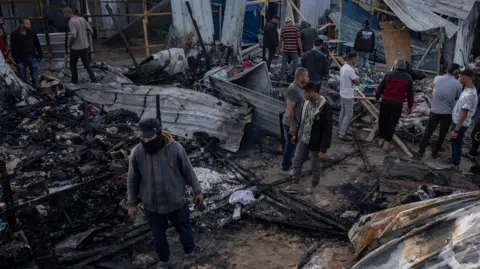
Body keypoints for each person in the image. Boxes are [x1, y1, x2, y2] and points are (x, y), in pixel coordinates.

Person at [127, 118, 203, 269]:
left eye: (149, 137)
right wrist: (132, 203)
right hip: (151, 204)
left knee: (183, 228)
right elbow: (132, 180)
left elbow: (188, 171)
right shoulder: (137, 152)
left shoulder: (175, 148)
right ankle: (164, 261)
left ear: (159, 134)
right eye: (143, 137)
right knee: (158, 235)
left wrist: (197, 191)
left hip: (176, 200)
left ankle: (189, 253)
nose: (145, 140)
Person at [284, 81, 332, 194]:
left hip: (316, 142)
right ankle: (294, 185)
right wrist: (297, 134)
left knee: (315, 166)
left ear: (311, 93)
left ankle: (314, 187)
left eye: (304, 93)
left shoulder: (325, 107)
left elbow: (327, 130)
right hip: (303, 138)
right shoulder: (306, 103)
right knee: (296, 161)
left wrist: (323, 149)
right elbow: (302, 120)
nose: (303, 96)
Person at [417, 63, 462, 158]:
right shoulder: (458, 84)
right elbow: (457, 98)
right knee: (442, 135)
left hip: (434, 111)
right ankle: (435, 153)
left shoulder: (437, 78)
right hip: (447, 113)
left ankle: (421, 151)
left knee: (428, 132)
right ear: (456, 72)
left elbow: (435, 91)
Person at [375, 58, 413, 151]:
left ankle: (381, 139)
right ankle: (387, 143)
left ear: (395, 66)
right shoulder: (408, 78)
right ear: (404, 67)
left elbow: (380, 88)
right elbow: (410, 95)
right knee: (392, 123)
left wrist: (377, 97)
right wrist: (410, 106)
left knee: (382, 120)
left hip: (385, 102)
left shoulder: (389, 74)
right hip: (397, 104)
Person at [445, 68, 478, 169]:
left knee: (457, 143)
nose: (458, 78)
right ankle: (454, 158)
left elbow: (463, 114)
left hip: (460, 124)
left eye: (460, 77)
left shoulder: (470, 95)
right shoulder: (467, 89)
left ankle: (456, 164)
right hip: (457, 121)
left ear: (467, 78)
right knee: (455, 143)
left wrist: (456, 129)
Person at [280, 67, 309, 175]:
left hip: (297, 123)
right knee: (290, 146)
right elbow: (290, 109)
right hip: (291, 124)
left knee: (294, 145)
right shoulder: (293, 90)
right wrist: (292, 126)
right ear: (301, 77)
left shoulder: (299, 88)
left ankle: (292, 163)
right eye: (306, 76)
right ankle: (285, 168)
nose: (308, 78)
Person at [63, 7, 97, 84]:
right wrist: (83, 35)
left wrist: (70, 44)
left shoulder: (71, 22)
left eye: (64, 14)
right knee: (86, 64)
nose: (64, 15)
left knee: (73, 64)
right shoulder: (82, 19)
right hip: (85, 46)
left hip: (76, 48)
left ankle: (74, 81)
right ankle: (94, 79)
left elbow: (74, 36)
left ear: (67, 13)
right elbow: (91, 31)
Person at [10, 18, 43, 87]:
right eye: (27, 24)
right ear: (22, 24)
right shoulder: (14, 34)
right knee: (23, 78)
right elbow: (13, 48)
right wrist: (17, 61)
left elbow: (37, 44)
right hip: (21, 59)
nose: (30, 25)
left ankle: (36, 91)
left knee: (35, 77)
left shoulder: (32, 33)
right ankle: (26, 92)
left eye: (29, 23)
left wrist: (40, 55)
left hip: (32, 56)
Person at [339, 52, 360, 141]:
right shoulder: (350, 70)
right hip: (348, 95)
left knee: (343, 112)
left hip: (342, 92)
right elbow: (357, 82)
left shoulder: (343, 67)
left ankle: (341, 129)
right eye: (356, 59)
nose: (357, 60)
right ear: (352, 59)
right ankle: (342, 134)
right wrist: (356, 74)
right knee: (348, 114)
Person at [466, 58, 480, 159]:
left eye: (478, 65)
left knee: (476, 133)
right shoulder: (477, 74)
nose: (476, 67)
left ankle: (473, 153)